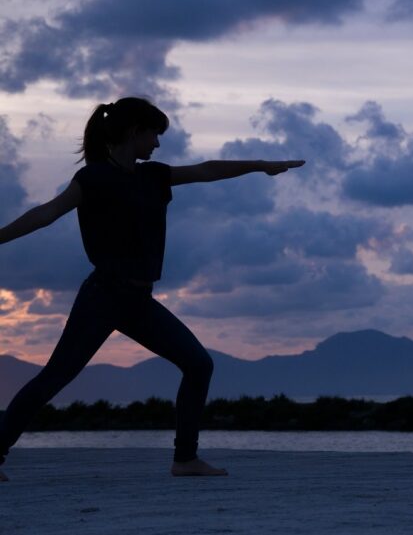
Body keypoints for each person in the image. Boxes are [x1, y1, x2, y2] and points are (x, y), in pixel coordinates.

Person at [0, 97, 304, 481]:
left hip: (138, 300)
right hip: (104, 296)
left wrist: (260, 166)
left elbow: (207, 170)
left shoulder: (153, 176)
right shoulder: (92, 179)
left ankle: (185, 459)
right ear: (134, 132)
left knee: (198, 364)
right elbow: (46, 213)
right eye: (154, 135)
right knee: (55, 377)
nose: (157, 144)